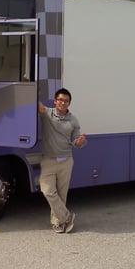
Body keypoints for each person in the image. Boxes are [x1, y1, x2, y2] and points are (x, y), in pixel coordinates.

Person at [38, 88, 87, 233]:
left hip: (66, 161)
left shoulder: (73, 120)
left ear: (69, 103)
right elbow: (35, 103)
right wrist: (29, 85)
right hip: (48, 160)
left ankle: (58, 223)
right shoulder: (47, 113)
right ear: (55, 101)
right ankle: (66, 217)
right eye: (60, 100)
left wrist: (80, 141)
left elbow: (76, 142)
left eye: (66, 101)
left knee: (61, 194)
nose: (62, 102)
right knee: (47, 190)